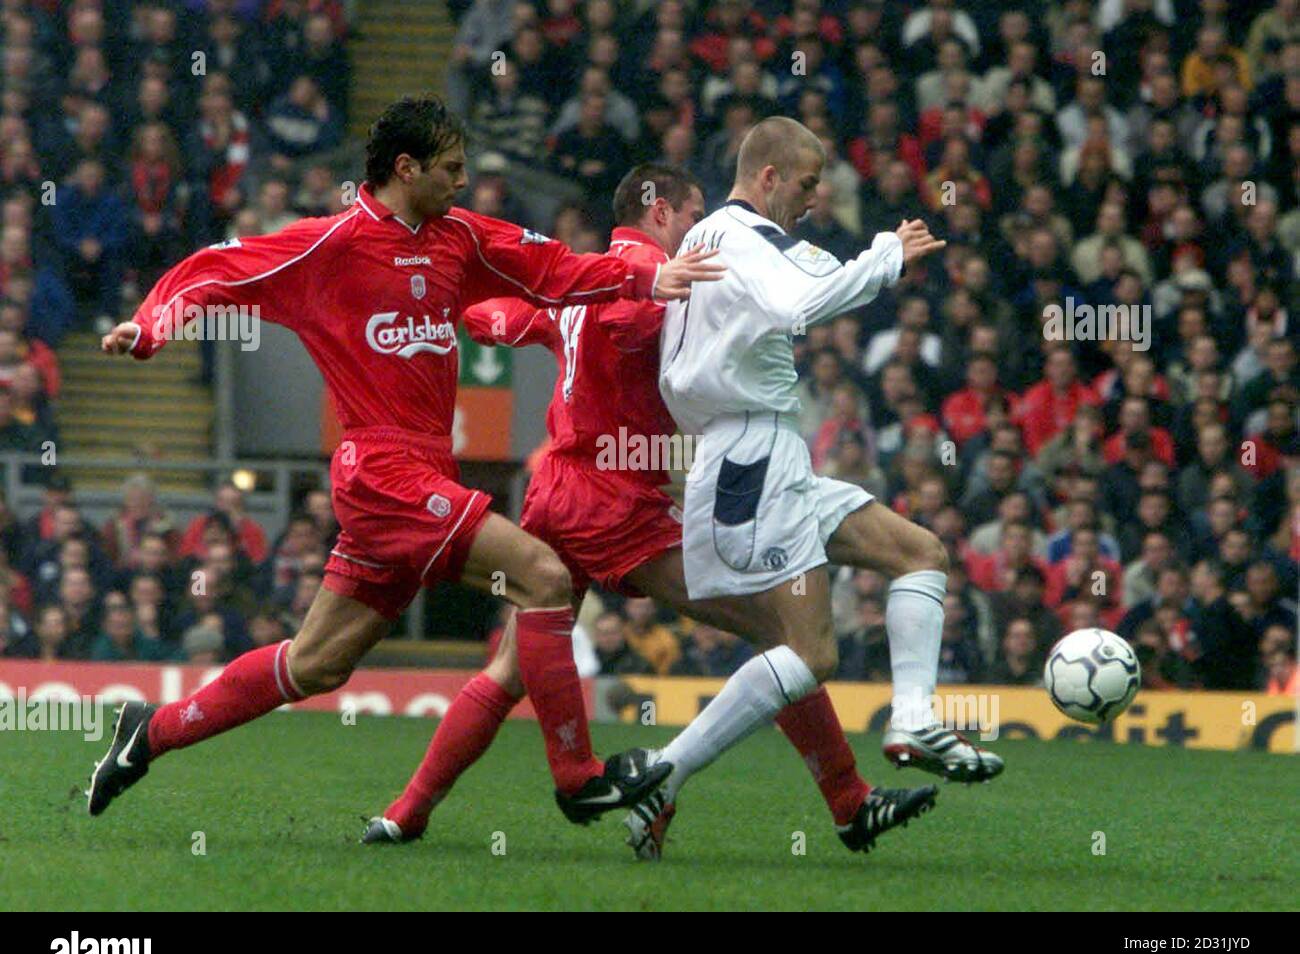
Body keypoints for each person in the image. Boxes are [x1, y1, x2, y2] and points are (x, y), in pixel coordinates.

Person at [85, 95, 725, 827]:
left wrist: (644, 279)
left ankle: (148, 733)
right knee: (544, 576)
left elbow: (548, 267)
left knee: (315, 664)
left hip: (424, 473)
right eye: (450, 168)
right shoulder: (329, 245)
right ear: (405, 167)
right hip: (381, 470)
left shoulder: (459, 237)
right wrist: (151, 325)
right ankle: (577, 778)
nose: (462, 182)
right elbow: (216, 268)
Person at [364, 164, 890, 855]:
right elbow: (634, 320)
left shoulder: (576, 275)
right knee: (782, 634)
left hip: (556, 486)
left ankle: (407, 811)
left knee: (510, 670)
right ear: (661, 211)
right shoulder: (652, 281)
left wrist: (459, 311)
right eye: (697, 214)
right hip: (612, 505)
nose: (704, 231)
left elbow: (502, 317)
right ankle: (832, 797)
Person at [645, 116, 1003, 857]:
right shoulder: (743, 235)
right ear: (770, 176)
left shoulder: (707, 238)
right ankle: (663, 771)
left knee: (920, 552)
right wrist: (885, 254)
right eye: (806, 183)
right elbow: (798, 303)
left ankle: (910, 719)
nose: (813, 198)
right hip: (750, 456)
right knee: (809, 655)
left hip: (762, 451)